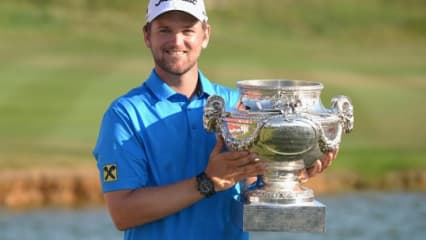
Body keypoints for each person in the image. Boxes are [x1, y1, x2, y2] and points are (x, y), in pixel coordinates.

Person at [92, 1, 338, 239]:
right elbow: (122, 213)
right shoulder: (124, 115)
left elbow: (252, 181)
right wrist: (207, 182)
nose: (177, 41)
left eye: (188, 30)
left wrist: (291, 172)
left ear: (205, 34)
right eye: (165, 30)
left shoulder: (238, 105)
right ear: (147, 36)